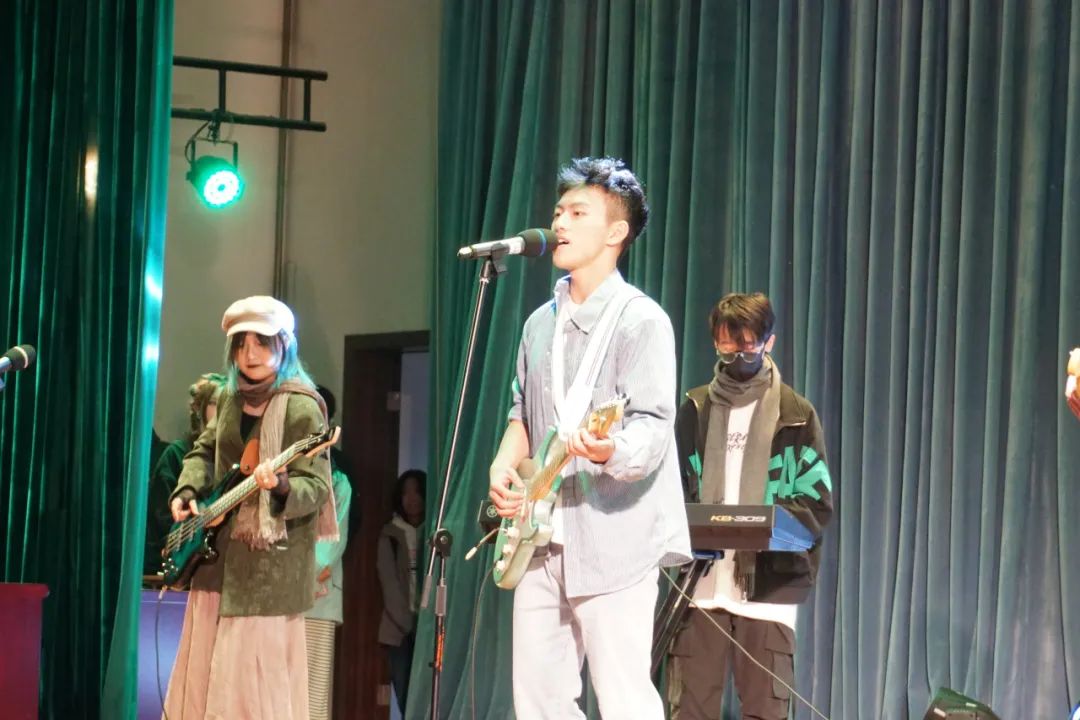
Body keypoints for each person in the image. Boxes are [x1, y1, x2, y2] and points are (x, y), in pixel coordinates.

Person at [487, 157, 691, 719]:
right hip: (539, 532)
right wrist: (502, 466)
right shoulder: (538, 323)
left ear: (616, 232)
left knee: (624, 699)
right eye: (559, 212)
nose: (560, 223)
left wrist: (611, 449)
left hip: (614, 535)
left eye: (578, 213)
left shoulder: (641, 320)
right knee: (539, 702)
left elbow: (652, 425)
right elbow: (522, 414)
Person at [163, 295, 337, 720]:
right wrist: (187, 490)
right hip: (215, 561)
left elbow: (316, 487)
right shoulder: (228, 398)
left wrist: (281, 485)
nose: (250, 353)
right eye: (241, 343)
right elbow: (203, 452)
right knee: (205, 683)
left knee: (253, 693)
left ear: (284, 345)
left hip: (267, 578)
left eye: (261, 342)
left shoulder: (302, 405)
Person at [668, 292, 833, 720]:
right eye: (727, 348)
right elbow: (670, 491)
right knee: (690, 711)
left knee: (766, 711)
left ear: (768, 342)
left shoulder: (796, 415)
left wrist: (762, 526)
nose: (737, 358)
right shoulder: (696, 409)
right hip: (701, 587)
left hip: (768, 591)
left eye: (747, 348)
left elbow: (816, 504)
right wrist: (695, 528)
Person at [304, 385, 353, 720]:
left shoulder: (338, 481)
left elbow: (330, 548)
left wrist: (297, 581)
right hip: (275, 601)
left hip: (315, 600)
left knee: (312, 700)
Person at [145, 373, 224, 577]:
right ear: (199, 409)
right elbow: (160, 517)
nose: (223, 410)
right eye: (216, 403)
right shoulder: (176, 454)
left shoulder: (234, 458)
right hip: (178, 563)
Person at [377, 468, 426, 717]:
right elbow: (389, 583)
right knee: (405, 694)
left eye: (417, 491)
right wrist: (409, 623)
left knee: (428, 693)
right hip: (399, 631)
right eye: (406, 493)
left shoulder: (433, 531)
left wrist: (425, 623)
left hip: (428, 628)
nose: (411, 498)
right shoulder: (390, 533)